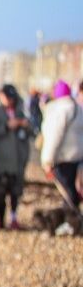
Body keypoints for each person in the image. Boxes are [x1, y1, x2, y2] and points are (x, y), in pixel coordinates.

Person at [0, 84, 32, 229]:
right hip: (1, 159)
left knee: (16, 191)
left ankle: (14, 217)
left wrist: (24, 125)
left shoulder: (20, 112)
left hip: (17, 159)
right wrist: (6, 126)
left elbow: (30, 130)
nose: (9, 101)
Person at [40, 79, 83, 210]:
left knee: (67, 194)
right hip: (77, 156)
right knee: (73, 191)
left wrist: (47, 160)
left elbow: (55, 136)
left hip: (63, 157)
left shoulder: (60, 110)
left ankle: (71, 221)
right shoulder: (77, 107)